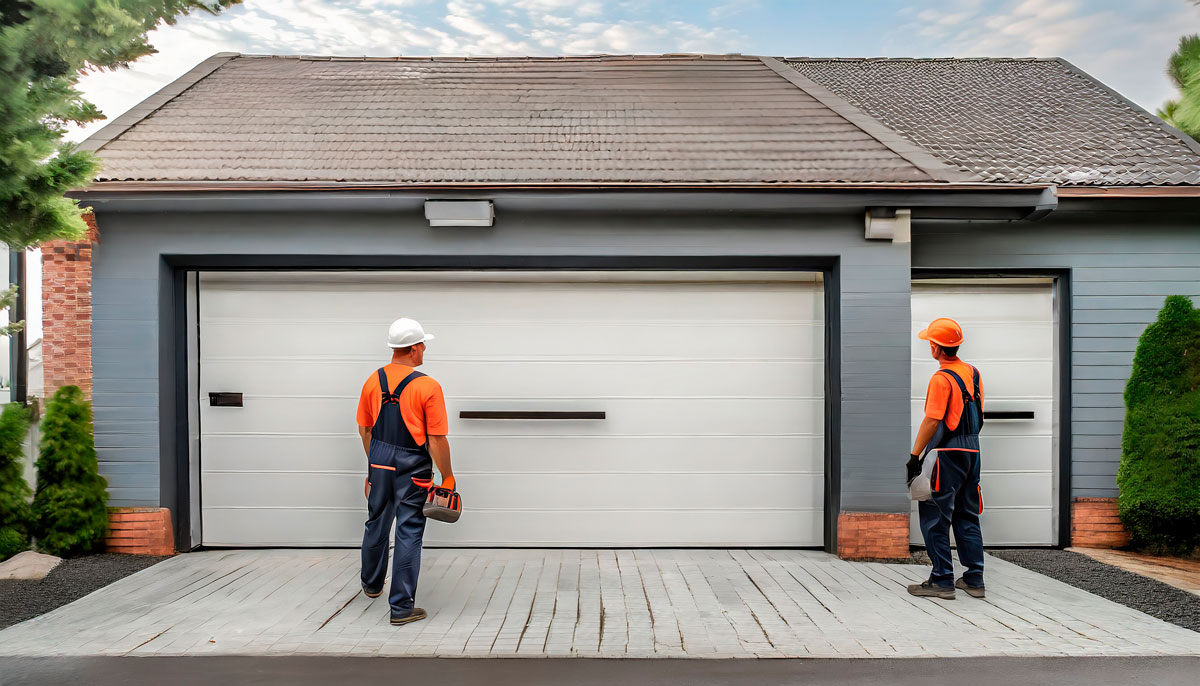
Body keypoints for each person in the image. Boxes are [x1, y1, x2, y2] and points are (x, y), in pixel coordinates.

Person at [356, 317, 455, 625]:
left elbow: (364, 428)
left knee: (376, 522)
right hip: (413, 465)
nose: (424, 349)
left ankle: (371, 585)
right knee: (409, 530)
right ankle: (400, 608)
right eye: (423, 344)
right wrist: (448, 476)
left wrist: (373, 468)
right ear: (414, 349)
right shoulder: (428, 386)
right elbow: (437, 439)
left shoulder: (373, 380)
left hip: (380, 459)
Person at [906, 317, 986, 600]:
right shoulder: (973, 373)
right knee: (967, 515)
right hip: (972, 452)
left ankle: (942, 580)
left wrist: (915, 456)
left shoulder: (941, 379)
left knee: (935, 516)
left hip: (946, 455)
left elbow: (932, 420)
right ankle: (974, 579)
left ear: (934, 347)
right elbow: (980, 417)